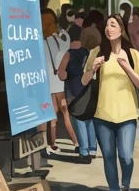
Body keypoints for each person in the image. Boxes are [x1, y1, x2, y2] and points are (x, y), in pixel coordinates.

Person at [89, 14, 139, 191]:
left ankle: (126, 185)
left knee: (126, 156)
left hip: (126, 114)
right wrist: (93, 69)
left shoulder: (132, 54)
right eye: (106, 25)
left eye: (113, 25)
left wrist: (127, 67)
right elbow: (83, 81)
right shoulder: (96, 52)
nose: (109, 28)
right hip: (102, 114)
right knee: (108, 157)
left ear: (121, 29)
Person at [59, 26, 102, 159]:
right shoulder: (90, 53)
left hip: (73, 91)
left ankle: (84, 150)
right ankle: (93, 149)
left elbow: (62, 75)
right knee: (89, 118)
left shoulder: (68, 54)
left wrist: (68, 73)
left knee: (79, 120)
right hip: (88, 90)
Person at [43, 9, 75, 153]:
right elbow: (67, 43)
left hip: (50, 83)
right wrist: (60, 31)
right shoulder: (59, 40)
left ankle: (52, 143)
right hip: (59, 82)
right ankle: (76, 142)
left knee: (53, 116)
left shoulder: (42, 42)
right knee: (64, 113)